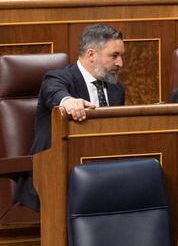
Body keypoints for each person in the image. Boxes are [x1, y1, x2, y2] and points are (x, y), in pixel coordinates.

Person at [16, 23, 126, 210]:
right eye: (114, 56)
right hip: (54, 177)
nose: (120, 63)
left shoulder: (116, 88)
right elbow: (54, 92)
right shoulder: (58, 78)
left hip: (102, 176)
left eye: (121, 56)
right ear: (91, 55)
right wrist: (67, 101)